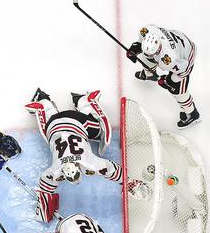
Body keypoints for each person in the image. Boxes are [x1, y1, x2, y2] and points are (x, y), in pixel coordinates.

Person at [25, 88, 152, 221]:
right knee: (54, 135)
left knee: (97, 134)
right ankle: (52, 104)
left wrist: (44, 212)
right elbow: (112, 169)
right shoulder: (84, 165)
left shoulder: (61, 170)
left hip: (70, 123)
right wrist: (128, 183)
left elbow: (45, 186)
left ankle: (81, 102)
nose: (75, 181)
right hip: (56, 125)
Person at [126, 24, 200, 128]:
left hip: (186, 55)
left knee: (178, 90)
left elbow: (184, 70)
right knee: (146, 58)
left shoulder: (169, 59)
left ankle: (192, 114)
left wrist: (169, 81)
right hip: (177, 40)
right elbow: (142, 44)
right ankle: (150, 74)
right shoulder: (146, 31)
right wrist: (136, 47)